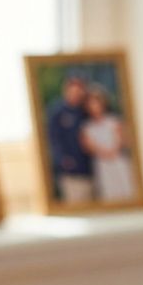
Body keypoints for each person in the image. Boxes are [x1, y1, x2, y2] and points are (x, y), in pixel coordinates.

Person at [82, 87, 136, 202]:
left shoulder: (113, 121)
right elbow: (89, 146)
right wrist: (104, 153)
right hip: (102, 165)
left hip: (118, 161)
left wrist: (114, 151)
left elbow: (122, 140)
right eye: (91, 104)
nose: (94, 107)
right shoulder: (87, 127)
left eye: (96, 103)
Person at [47, 75, 95, 203]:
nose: (76, 93)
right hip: (70, 172)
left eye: (80, 90)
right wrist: (63, 160)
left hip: (89, 169)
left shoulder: (84, 111)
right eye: (73, 90)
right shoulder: (57, 112)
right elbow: (54, 140)